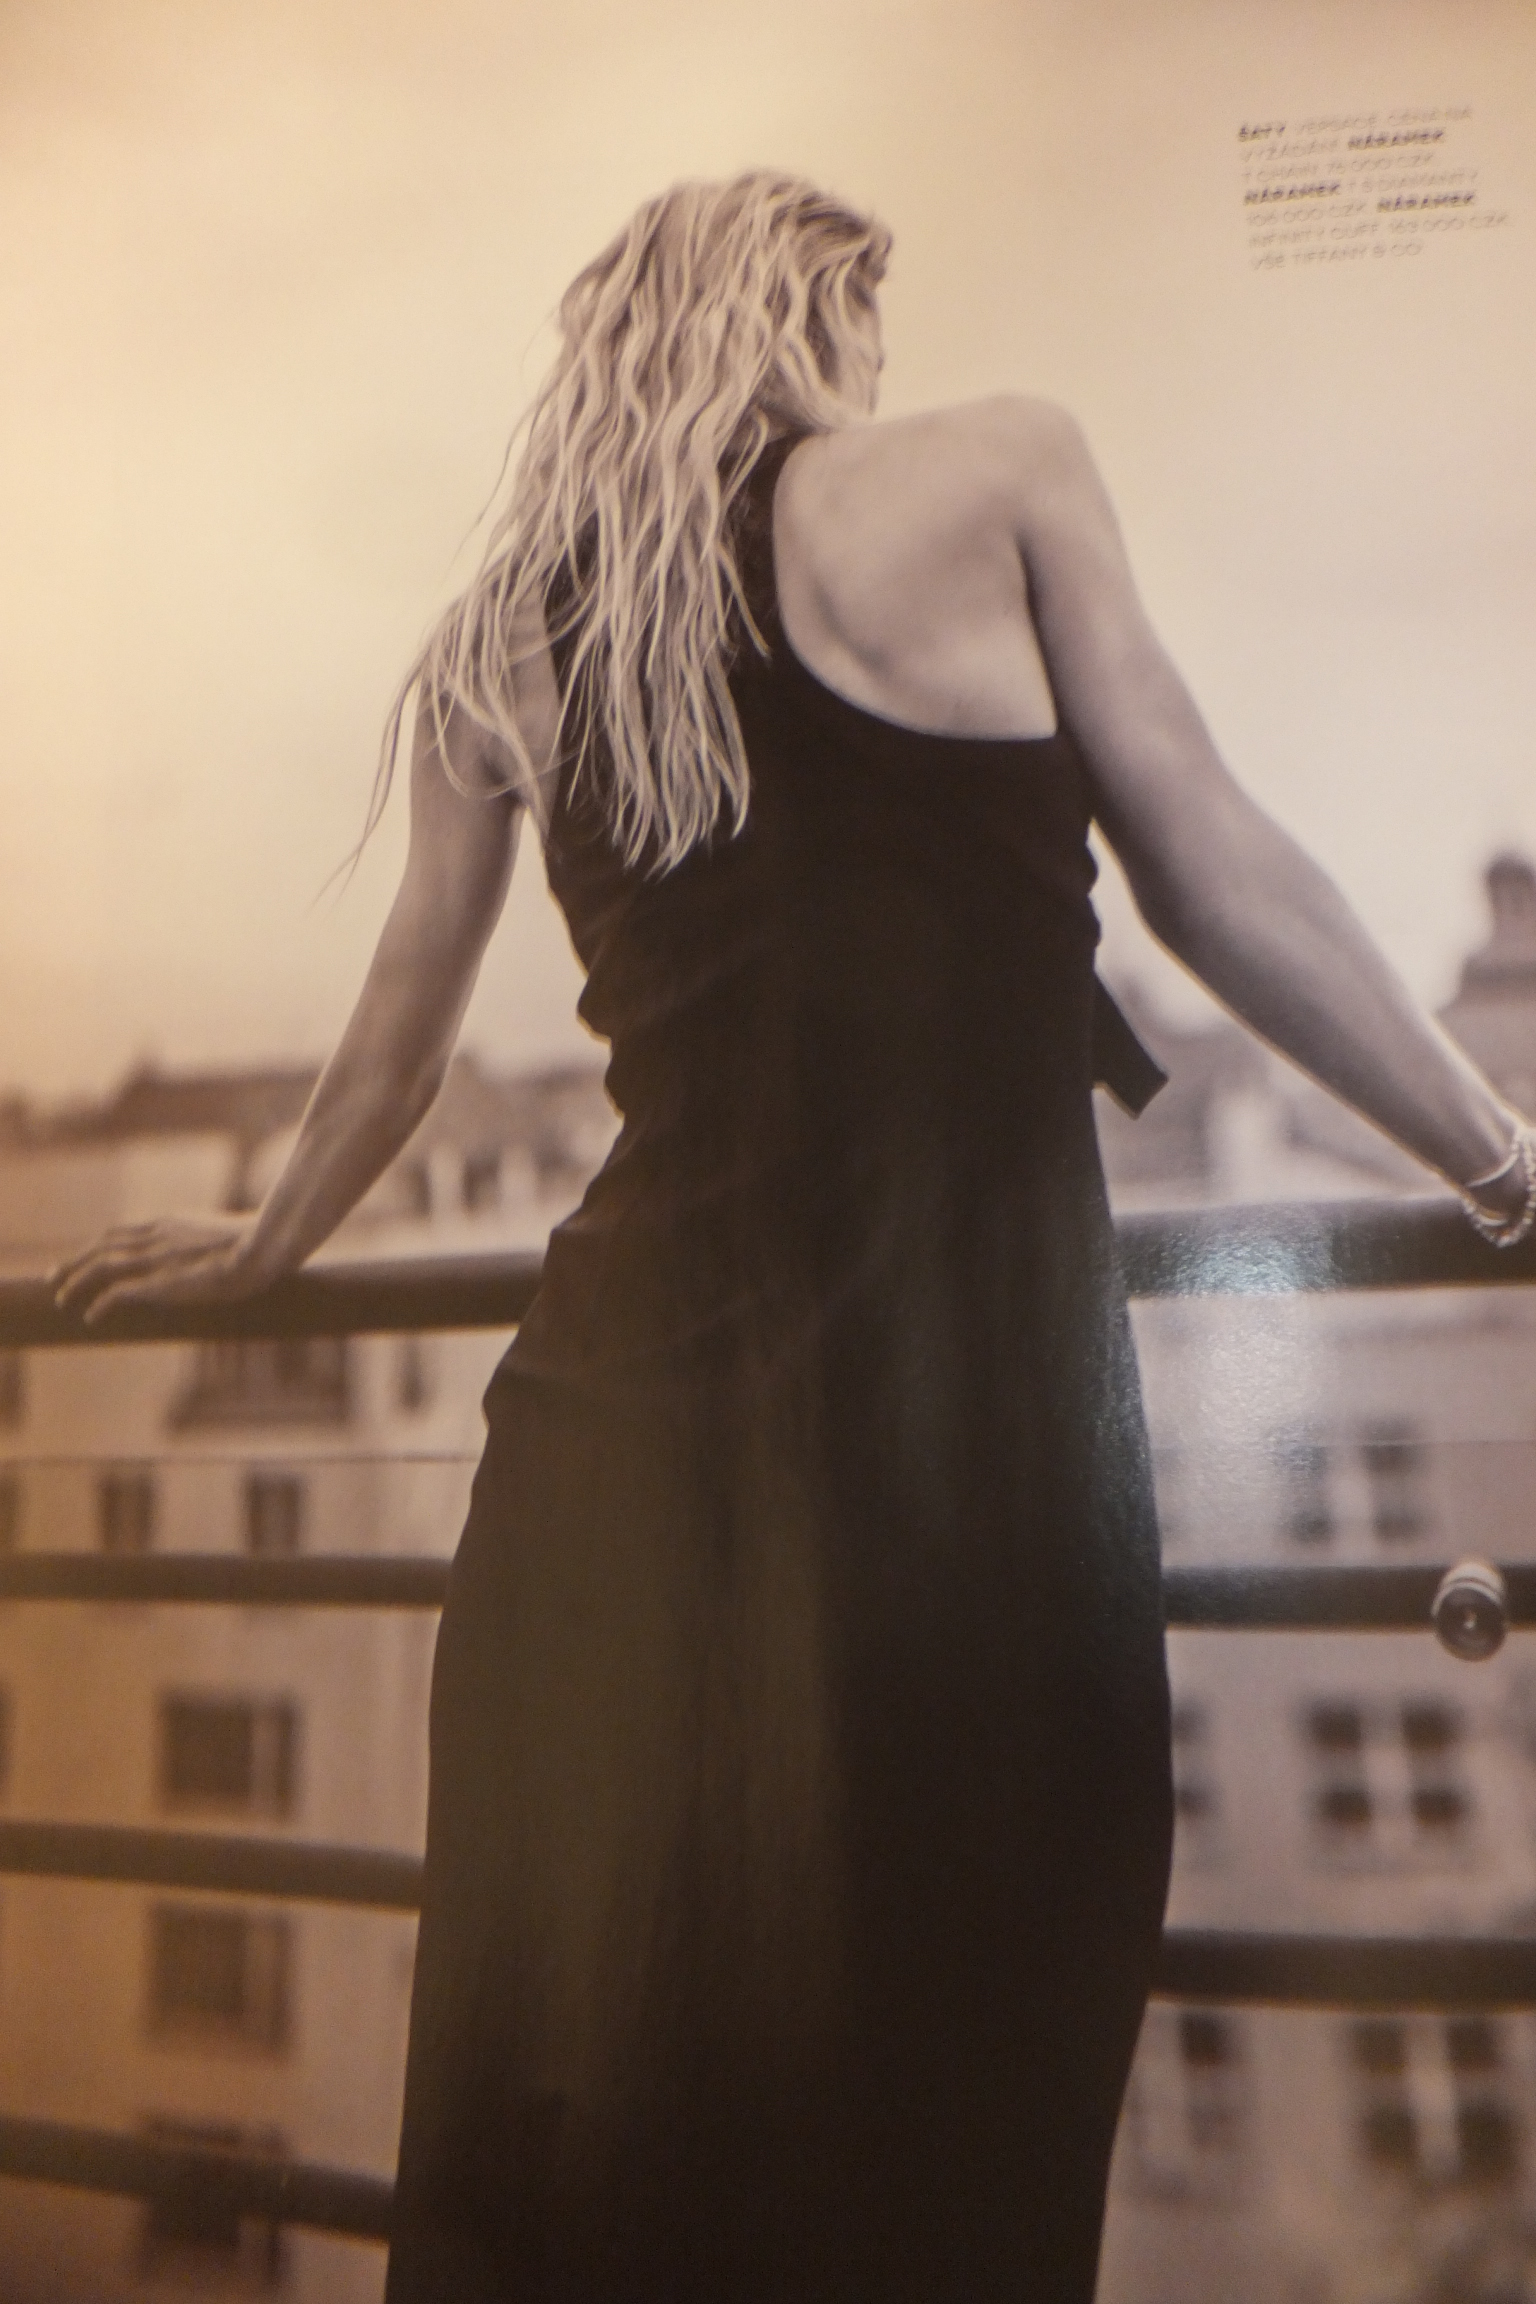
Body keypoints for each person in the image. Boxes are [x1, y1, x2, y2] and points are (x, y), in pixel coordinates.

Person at [55, 172, 1535, 2302]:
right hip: (962, 1475)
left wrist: (265, 1239)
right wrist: (1503, 1163)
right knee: (948, 2118)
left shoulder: (500, 636)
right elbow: (1213, 868)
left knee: (581, 2151)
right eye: (866, 332)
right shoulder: (1000, 467)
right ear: (806, 307)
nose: (875, 380)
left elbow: (394, 1040)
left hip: (607, 1483)